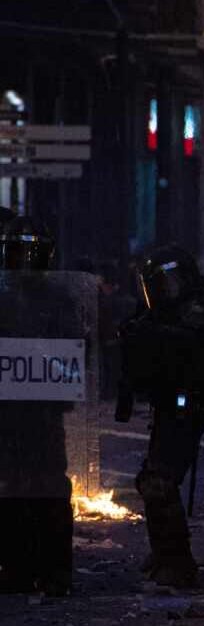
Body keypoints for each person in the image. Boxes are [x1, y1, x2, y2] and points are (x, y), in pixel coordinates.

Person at [120, 245, 204, 587]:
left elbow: (191, 345)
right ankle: (165, 550)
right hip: (167, 403)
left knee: (160, 480)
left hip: (188, 405)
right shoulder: (160, 314)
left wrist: (149, 334)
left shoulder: (199, 308)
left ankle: (178, 560)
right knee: (152, 479)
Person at [0, 218, 79, 596]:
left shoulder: (61, 301)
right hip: (9, 411)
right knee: (10, 487)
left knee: (47, 486)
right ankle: (16, 567)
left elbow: (77, 348)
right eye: (18, 251)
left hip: (44, 410)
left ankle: (54, 569)